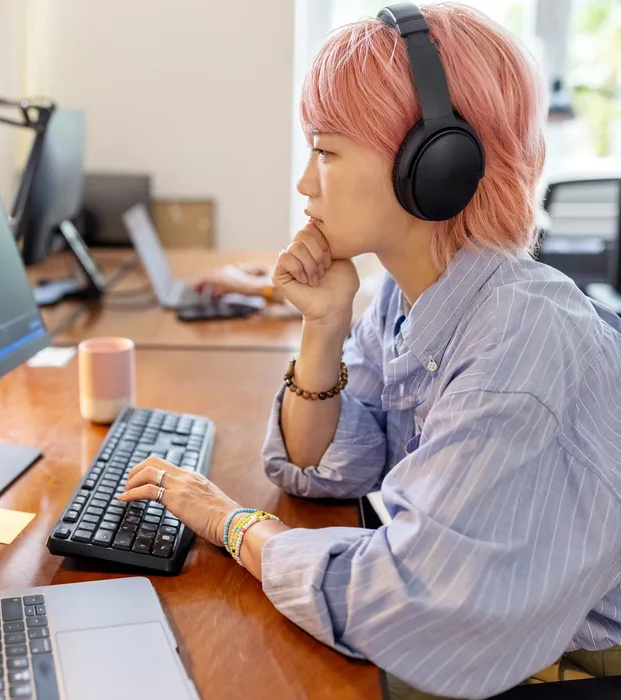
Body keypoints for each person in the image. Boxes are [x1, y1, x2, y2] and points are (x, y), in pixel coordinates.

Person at [118, 3, 621, 698]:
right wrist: (324, 323)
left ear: (437, 164)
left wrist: (230, 524)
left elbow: (403, 598)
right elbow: (321, 464)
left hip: (564, 674)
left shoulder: (521, 339)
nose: (304, 184)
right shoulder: (404, 296)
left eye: (326, 151)